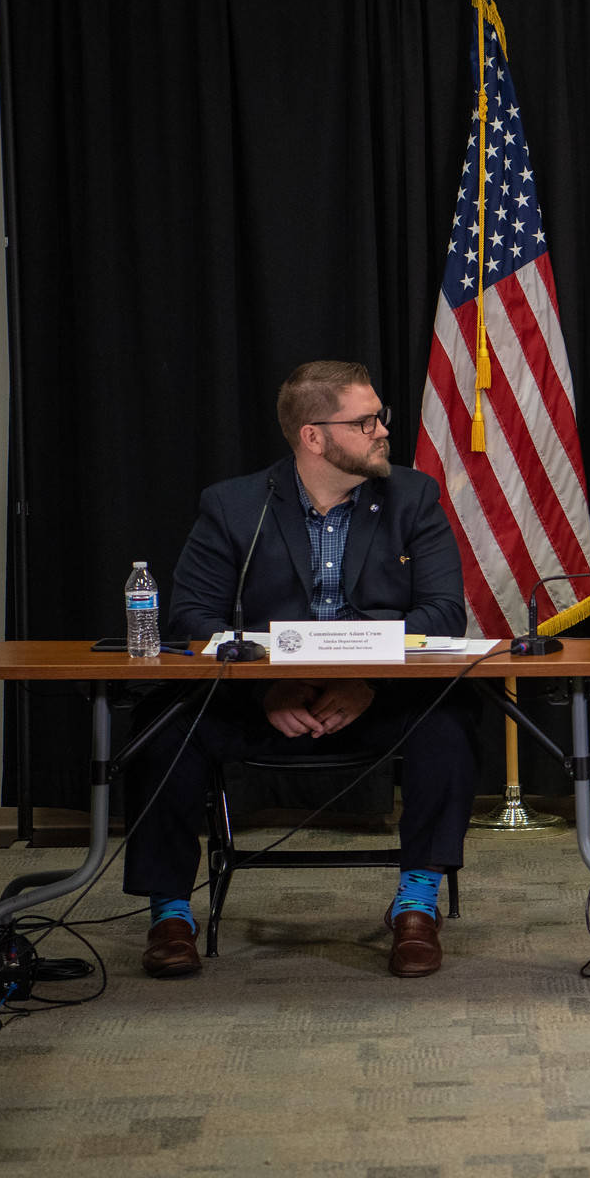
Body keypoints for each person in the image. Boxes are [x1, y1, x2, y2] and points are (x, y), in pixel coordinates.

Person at [124, 361, 483, 979]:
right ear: (314, 436)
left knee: (447, 720)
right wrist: (269, 687)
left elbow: (443, 612)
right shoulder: (235, 505)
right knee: (162, 723)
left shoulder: (413, 497)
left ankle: (417, 903)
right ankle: (171, 912)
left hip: (376, 700)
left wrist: (365, 681)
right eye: (365, 422)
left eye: (380, 417)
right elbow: (192, 617)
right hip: (259, 704)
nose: (382, 431)